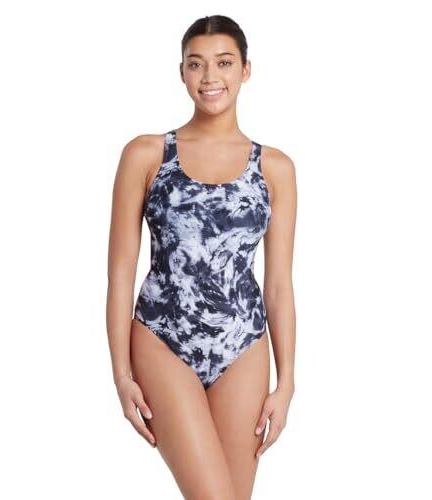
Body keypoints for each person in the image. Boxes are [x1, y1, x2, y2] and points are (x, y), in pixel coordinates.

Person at [106, 14, 297, 500]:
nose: (210, 76)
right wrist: (121, 375)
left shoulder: (274, 168)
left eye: (224, 63)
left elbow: (278, 285)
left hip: (244, 346)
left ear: (246, 70)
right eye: (196, 64)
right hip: (163, 338)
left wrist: (287, 383)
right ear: (182, 73)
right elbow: (120, 273)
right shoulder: (147, 155)